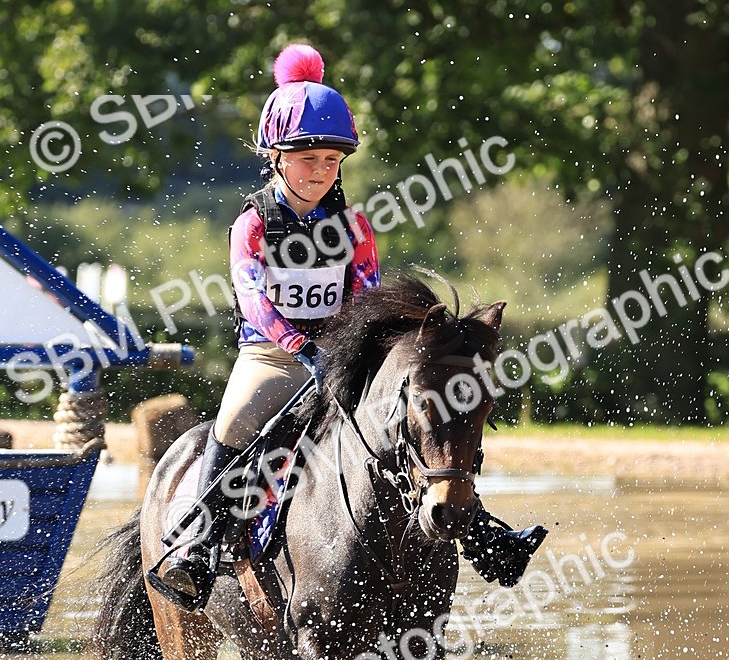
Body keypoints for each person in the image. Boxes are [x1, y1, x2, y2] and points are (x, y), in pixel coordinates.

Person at [157, 43, 546, 609]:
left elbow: (365, 300)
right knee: (236, 426)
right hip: (272, 357)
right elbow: (254, 301)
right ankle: (198, 544)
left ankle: (482, 533)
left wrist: (350, 351)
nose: (321, 171)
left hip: (342, 355)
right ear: (276, 157)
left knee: (417, 426)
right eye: (307, 159)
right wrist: (300, 346)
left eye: (331, 161)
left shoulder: (355, 227)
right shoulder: (252, 226)